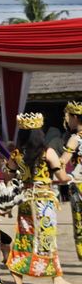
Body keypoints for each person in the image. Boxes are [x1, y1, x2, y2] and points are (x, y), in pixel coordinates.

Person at [6, 113, 72, 284]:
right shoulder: (47, 152)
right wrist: (70, 176)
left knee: (25, 236)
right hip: (44, 201)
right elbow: (62, 177)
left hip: (26, 199)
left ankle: (19, 270)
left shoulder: (17, 154)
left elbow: (7, 174)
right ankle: (55, 277)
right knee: (48, 237)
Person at [61, 100, 82, 259]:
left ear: (75, 117)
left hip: (79, 184)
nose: (67, 120)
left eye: (68, 116)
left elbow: (62, 162)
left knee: (80, 225)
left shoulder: (75, 138)